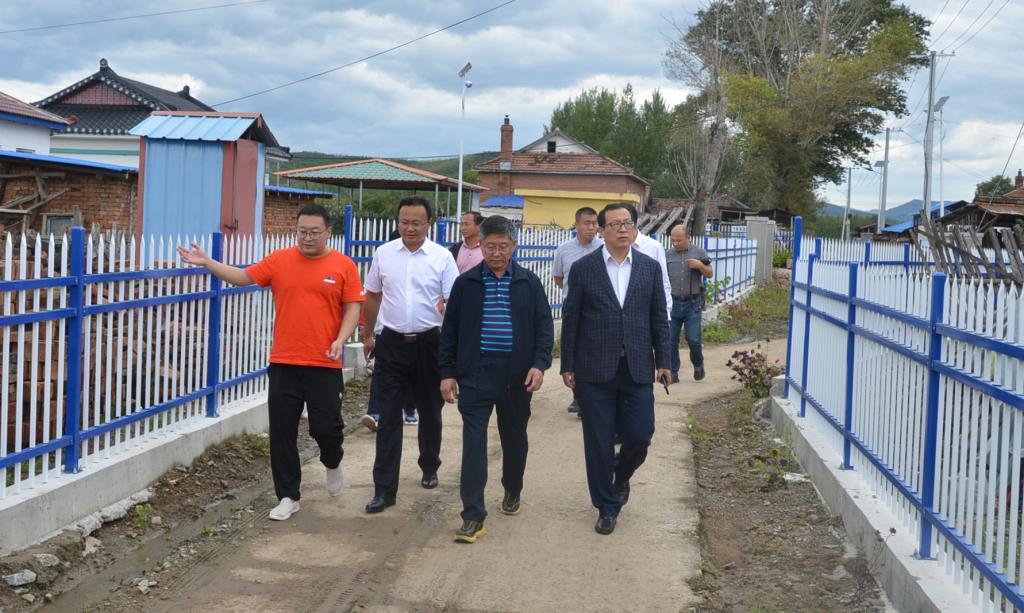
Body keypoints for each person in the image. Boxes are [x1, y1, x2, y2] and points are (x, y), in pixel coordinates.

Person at [176, 204, 363, 521]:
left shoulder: (343, 265)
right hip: (284, 361)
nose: (307, 238)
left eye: (314, 232)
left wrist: (340, 339)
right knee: (282, 431)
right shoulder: (280, 260)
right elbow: (243, 277)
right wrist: (208, 262)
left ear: (328, 232)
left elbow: (353, 308)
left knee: (326, 428)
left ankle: (332, 461)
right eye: (302, 231)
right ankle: (288, 496)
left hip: (324, 362)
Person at [439, 215, 554, 543]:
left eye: (503, 246)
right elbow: (449, 333)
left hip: (517, 376)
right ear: (481, 245)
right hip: (477, 373)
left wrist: (539, 365)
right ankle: (473, 515)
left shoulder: (529, 283)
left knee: (514, 438)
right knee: (474, 443)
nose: (497, 253)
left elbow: (544, 329)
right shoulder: (466, 284)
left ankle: (512, 489)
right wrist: (447, 373)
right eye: (490, 247)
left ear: (513, 246)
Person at [560, 202, 671, 536]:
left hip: (636, 367)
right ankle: (606, 506)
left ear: (634, 229)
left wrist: (665, 361)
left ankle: (621, 475)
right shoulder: (584, 268)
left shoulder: (650, 268)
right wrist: (567, 364)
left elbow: (658, 318)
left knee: (640, 435)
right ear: (601, 230)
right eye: (615, 224)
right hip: (593, 369)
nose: (623, 229)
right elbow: (571, 318)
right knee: (598, 441)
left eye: (628, 223)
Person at [361, 196, 459, 514]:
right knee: (388, 415)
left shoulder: (442, 257)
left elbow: (454, 302)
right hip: (391, 343)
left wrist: (452, 349)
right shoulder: (384, 254)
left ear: (428, 224)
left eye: (416, 223)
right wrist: (367, 333)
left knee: (430, 410)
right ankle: (384, 489)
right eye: (404, 222)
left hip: (430, 343)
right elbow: (373, 295)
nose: (410, 228)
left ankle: (429, 465)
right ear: (398, 222)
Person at [551, 206, 601, 415]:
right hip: (572, 308)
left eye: (594, 223)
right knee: (574, 348)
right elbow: (558, 277)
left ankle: (593, 394)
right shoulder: (564, 250)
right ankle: (577, 396)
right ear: (576, 225)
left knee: (594, 350)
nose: (591, 228)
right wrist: (574, 295)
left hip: (598, 309)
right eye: (586, 223)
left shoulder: (604, 248)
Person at [666, 223, 713, 382]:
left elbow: (710, 273)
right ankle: (673, 372)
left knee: (693, 339)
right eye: (673, 240)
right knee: (671, 339)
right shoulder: (667, 255)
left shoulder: (699, 253)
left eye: (679, 240)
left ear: (688, 238)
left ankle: (698, 364)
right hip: (672, 303)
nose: (675, 243)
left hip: (692, 304)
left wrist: (700, 266)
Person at [630, 225, 673, 321]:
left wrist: (666, 313)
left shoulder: (654, 247)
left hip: (647, 311)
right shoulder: (610, 247)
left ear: (632, 223)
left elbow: (663, 281)